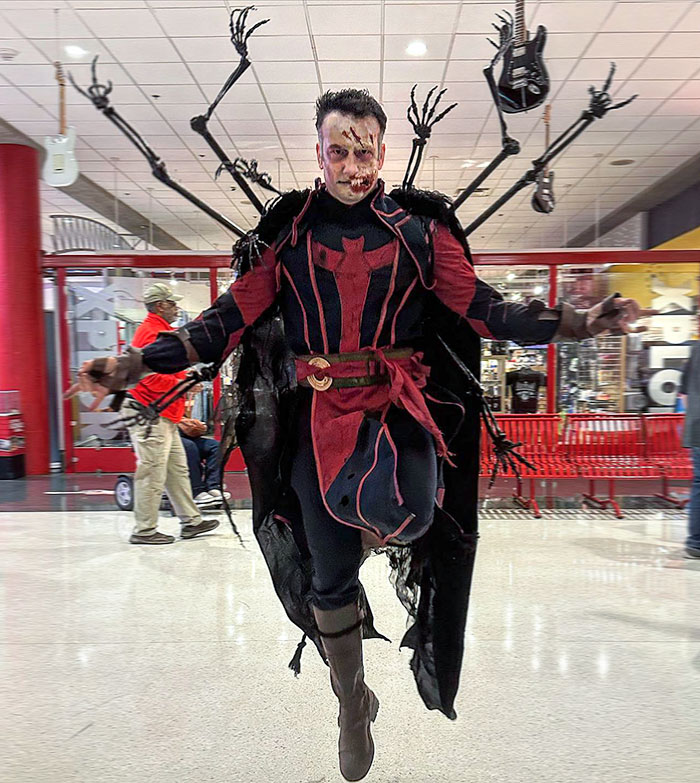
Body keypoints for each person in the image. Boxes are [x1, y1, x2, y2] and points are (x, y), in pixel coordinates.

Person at [67, 90, 648, 781]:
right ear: (318, 152)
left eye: (364, 149)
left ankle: (367, 545)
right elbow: (218, 325)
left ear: (383, 149)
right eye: (338, 150)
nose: (352, 164)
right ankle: (352, 701)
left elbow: (486, 308)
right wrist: (133, 363)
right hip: (317, 421)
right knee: (331, 576)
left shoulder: (418, 232)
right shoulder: (288, 235)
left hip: (400, 407)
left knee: (415, 504)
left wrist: (580, 323)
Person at [122, 282, 219, 544]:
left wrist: (186, 377)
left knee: (177, 469)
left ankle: (191, 522)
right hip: (148, 413)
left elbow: (164, 371)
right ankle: (144, 530)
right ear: (160, 305)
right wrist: (184, 384)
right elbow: (149, 380)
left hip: (162, 414)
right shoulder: (151, 333)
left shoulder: (162, 331)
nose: (176, 308)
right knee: (152, 471)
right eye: (173, 303)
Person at [680, 341, 699, 558]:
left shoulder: (696, 350)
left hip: (697, 427)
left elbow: (683, 395)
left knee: (699, 484)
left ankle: (696, 543)